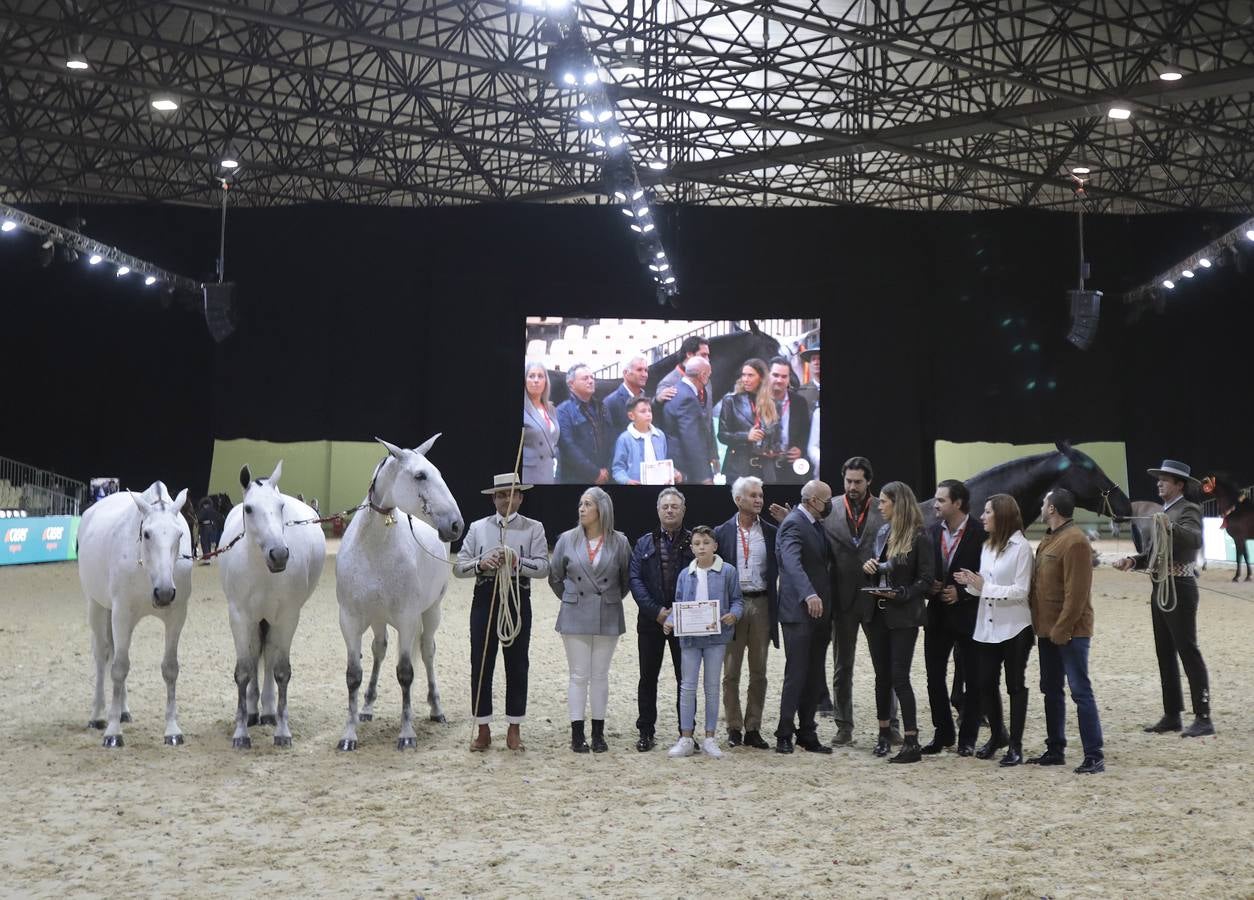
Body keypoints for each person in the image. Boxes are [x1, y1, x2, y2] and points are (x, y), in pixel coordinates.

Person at [1113, 460, 1215, 738]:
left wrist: (1168, 525)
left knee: (1187, 650)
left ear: (1179, 485)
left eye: (1165, 480)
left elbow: (1194, 539)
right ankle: (1172, 714)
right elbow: (1152, 554)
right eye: (1159, 479)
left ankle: (1203, 716)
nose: (1159, 483)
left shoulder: (1187, 510)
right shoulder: (1163, 512)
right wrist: (1133, 560)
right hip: (1160, 585)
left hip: (1179, 586)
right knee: (1164, 652)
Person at [453, 473, 549, 752]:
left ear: (521, 496)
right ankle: (483, 729)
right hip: (485, 598)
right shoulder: (477, 528)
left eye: (512, 494)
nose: (507, 499)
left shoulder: (534, 528)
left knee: (517, 663)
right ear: (493, 498)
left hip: (518, 598)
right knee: (481, 663)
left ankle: (514, 728)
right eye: (501, 494)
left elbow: (543, 567)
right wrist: (481, 564)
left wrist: (517, 561)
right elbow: (459, 568)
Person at [1027, 489, 1105, 774]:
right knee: (1050, 689)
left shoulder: (1074, 542)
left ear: (1052, 509)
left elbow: (1077, 594)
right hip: (1048, 630)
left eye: (1044, 502)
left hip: (1070, 631)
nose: (1041, 505)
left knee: (1080, 691)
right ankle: (1055, 748)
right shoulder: (1050, 538)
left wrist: (1063, 628)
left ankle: (1094, 754)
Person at [821, 456, 898, 745]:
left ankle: (891, 724)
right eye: (848, 481)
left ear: (869, 482)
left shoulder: (884, 509)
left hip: (876, 600)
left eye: (858, 482)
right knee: (842, 667)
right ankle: (843, 726)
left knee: (884, 667)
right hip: (842, 600)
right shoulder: (830, 509)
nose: (852, 487)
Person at [549, 487, 632, 753]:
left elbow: (626, 581)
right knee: (578, 675)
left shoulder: (620, 541)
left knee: (600, 675)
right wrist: (572, 599)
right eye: (580, 504)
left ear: (601, 510)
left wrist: (608, 598)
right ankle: (577, 734)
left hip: (608, 614)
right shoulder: (566, 539)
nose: (581, 509)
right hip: (575, 614)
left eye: (587, 504)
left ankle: (598, 733)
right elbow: (555, 577)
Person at [954, 493, 1034, 766]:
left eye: (988, 512)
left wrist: (984, 587)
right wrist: (970, 583)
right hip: (987, 626)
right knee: (984, 683)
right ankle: (998, 734)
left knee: (1014, 685)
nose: (983, 517)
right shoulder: (987, 547)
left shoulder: (1021, 547)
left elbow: (1021, 591)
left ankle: (1016, 746)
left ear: (1001, 515)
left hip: (1015, 628)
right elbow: (984, 586)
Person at [861, 481, 933, 763]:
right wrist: (869, 569)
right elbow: (880, 571)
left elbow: (926, 580)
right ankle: (884, 734)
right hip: (877, 612)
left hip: (904, 615)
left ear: (898, 503)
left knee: (899, 677)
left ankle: (912, 740)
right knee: (882, 677)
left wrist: (903, 593)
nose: (879, 506)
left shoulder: (919, 537)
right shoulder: (882, 532)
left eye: (883, 501)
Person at [663, 526, 744, 759]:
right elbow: (678, 604)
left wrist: (733, 615)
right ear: (692, 547)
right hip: (689, 638)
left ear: (715, 546)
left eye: (706, 543)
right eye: (697, 543)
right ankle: (686, 737)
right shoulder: (684, 575)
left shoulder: (727, 572)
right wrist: (670, 621)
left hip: (716, 638)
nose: (701, 547)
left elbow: (737, 600)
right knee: (687, 686)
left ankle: (710, 737)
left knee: (711, 686)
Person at [921, 479, 987, 756]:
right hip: (936, 615)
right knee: (934, 677)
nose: (935, 505)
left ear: (957, 503)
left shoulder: (981, 533)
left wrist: (963, 593)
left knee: (972, 678)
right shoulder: (931, 531)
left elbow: (990, 575)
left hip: (969, 615)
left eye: (941, 500)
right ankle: (943, 733)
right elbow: (924, 570)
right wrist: (929, 586)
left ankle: (968, 738)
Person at [714, 476, 779, 750]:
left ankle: (753, 727)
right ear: (738, 499)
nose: (759, 500)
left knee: (759, 670)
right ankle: (733, 726)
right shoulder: (721, 532)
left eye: (760, 495)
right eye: (753, 495)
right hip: (733, 606)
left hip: (762, 603)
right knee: (730, 672)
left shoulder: (772, 532)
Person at [627, 487, 693, 751]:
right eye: (665, 506)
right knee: (648, 677)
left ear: (683, 510)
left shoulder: (695, 540)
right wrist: (657, 612)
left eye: (674, 506)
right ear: (657, 510)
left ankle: (686, 732)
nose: (669, 510)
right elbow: (635, 580)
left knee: (685, 680)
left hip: (686, 623)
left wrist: (677, 614)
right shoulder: (643, 543)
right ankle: (646, 731)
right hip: (650, 623)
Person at [773, 480, 834, 754]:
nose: (829, 505)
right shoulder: (794, 524)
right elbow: (791, 563)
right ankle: (784, 732)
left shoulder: (814, 524)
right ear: (811, 501)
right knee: (796, 673)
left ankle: (807, 732)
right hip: (799, 612)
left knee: (813, 673)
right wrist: (809, 594)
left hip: (820, 612)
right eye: (826, 500)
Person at [717, 358, 781, 483]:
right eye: (743, 375)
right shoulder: (731, 401)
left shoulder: (773, 404)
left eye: (750, 375)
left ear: (761, 377)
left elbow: (776, 437)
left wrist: (773, 450)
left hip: (765, 470)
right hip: (739, 469)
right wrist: (746, 436)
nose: (745, 379)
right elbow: (722, 436)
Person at [555, 364, 611, 485]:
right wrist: (595, 473)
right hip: (576, 479)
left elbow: (611, 439)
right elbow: (568, 447)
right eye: (585, 378)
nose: (591, 381)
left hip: (605, 477)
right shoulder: (563, 411)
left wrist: (607, 470)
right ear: (571, 384)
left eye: (592, 377)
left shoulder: (602, 407)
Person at [665, 356, 718, 485]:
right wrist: (704, 476)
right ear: (703, 375)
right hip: (687, 469)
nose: (708, 378)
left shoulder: (677, 389)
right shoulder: (687, 398)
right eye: (709, 374)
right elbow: (692, 440)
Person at [767, 357, 812, 484]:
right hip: (763, 467)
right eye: (775, 375)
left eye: (784, 376)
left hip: (790, 469)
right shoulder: (757, 400)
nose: (779, 380)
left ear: (789, 378)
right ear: (767, 375)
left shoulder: (799, 402)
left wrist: (800, 449)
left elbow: (806, 432)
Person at [611, 396, 673, 485]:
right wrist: (626, 481)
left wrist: (673, 473)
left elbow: (664, 461)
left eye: (649, 410)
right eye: (643, 411)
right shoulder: (624, 439)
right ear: (631, 416)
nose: (648, 414)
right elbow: (618, 468)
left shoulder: (660, 435)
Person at [522, 361, 560, 485]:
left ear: (546, 381)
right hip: (529, 474)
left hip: (549, 472)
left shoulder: (551, 409)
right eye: (531, 376)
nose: (536, 380)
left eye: (540, 376)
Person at [654, 335, 710, 403]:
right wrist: (658, 400)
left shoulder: (706, 380)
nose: (707, 360)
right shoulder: (669, 383)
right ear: (689, 354)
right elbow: (658, 408)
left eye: (707, 355)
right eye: (703, 355)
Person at [602, 354, 649, 432]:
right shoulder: (610, 402)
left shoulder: (647, 399)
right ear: (625, 373)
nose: (644, 375)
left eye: (646, 370)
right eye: (639, 370)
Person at [195, 496, 223, 565]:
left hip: (204, 527)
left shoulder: (203, 510)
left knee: (204, 543)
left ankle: (207, 559)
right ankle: (208, 558)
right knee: (208, 543)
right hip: (211, 527)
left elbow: (199, 519)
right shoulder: (212, 510)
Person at [796, 344, 820, 414]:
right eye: (813, 359)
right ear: (809, 364)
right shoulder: (801, 392)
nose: (816, 362)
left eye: (820, 359)